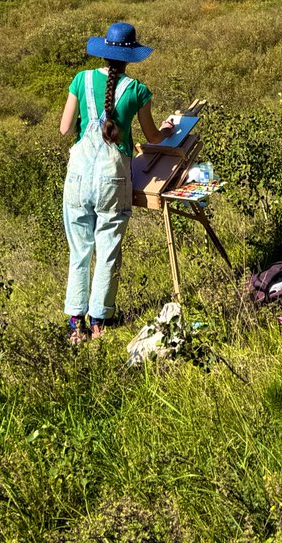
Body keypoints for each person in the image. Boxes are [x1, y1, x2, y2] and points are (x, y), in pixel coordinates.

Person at [59, 21, 175, 343]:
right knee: (107, 250)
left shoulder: (80, 80)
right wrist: (166, 129)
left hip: (79, 176)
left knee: (79, 251)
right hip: (114, 177)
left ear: (104, 50)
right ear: (131, 58)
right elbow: (153, 137)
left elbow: (65, 129)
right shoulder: (138, 90)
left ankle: (74, 322)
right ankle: (99, 320)